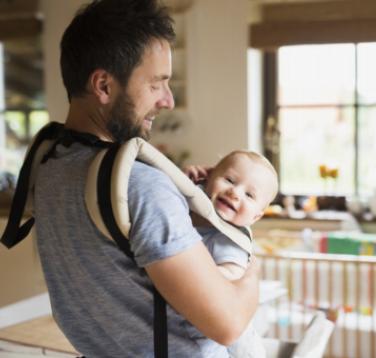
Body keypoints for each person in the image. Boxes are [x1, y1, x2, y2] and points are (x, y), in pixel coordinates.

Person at [32, 0, 259, 356]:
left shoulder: (47, 167)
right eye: (157, 84)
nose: (168, 100)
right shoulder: (140, 185)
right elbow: (228, 323)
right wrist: (249, 259)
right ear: (104, 85)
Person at [184, 150, 279, 358]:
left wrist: (189, 272)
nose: (235, 193)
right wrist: (182, 178)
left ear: (255, 216)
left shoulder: (231, 239)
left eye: (249, 195)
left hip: (232, 332)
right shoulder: (190, 199)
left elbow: (232, 275)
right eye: (229, 180)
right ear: (208, 178)